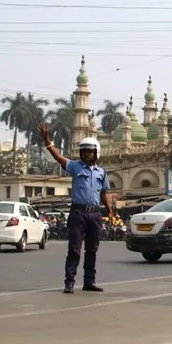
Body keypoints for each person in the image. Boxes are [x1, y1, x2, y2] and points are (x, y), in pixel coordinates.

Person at [38, 123, 115, 293]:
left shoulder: (101, 172)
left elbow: (104, 192)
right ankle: (69, 282)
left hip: (94, 214)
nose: (87, 154)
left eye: (90, 151)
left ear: (96, 153)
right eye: (85, 151)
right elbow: (59, 158)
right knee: (74, 249)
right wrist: (47, 142)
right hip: (78, 213)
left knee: (92, 250)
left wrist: (109, 210)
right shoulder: (75, 167)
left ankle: (89, 282)